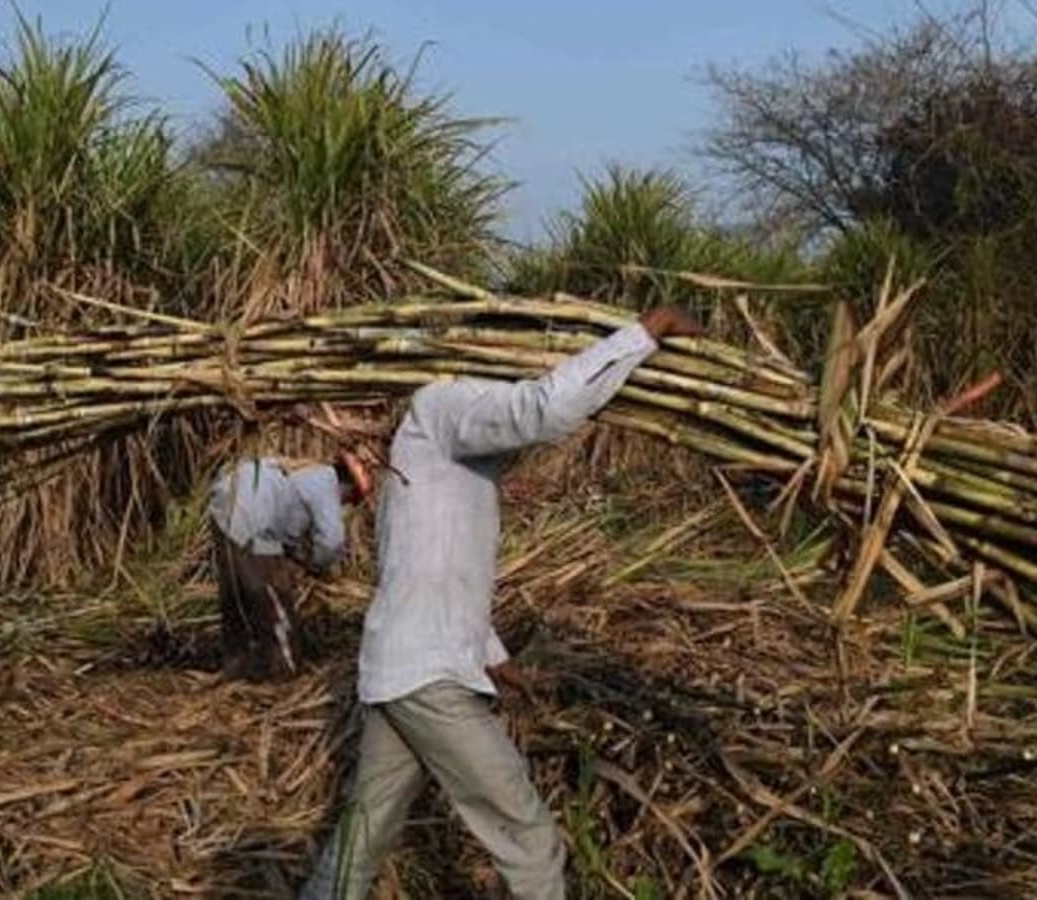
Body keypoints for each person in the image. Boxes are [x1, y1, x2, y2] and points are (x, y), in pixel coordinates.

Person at [300, 305, 704, 899]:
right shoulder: (443, 406)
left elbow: (433, 573)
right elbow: (541, 409)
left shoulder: (430, 463)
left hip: (404, 669)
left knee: (363, 835)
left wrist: (494, 657)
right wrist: (645, 334)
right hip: (426, 675)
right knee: (530, 837)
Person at [210, 451, 374, 681]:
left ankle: (238, 667)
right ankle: (285, 672)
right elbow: (331, 541)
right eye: (349, 499)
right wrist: (317, 565)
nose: (345, 504)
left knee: (236, 597)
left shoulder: (306, 470)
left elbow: (287, 532)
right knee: (275, 599)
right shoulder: (327, 486)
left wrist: (298, 556)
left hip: (226, 502)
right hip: (252, 518)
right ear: (348, 487)